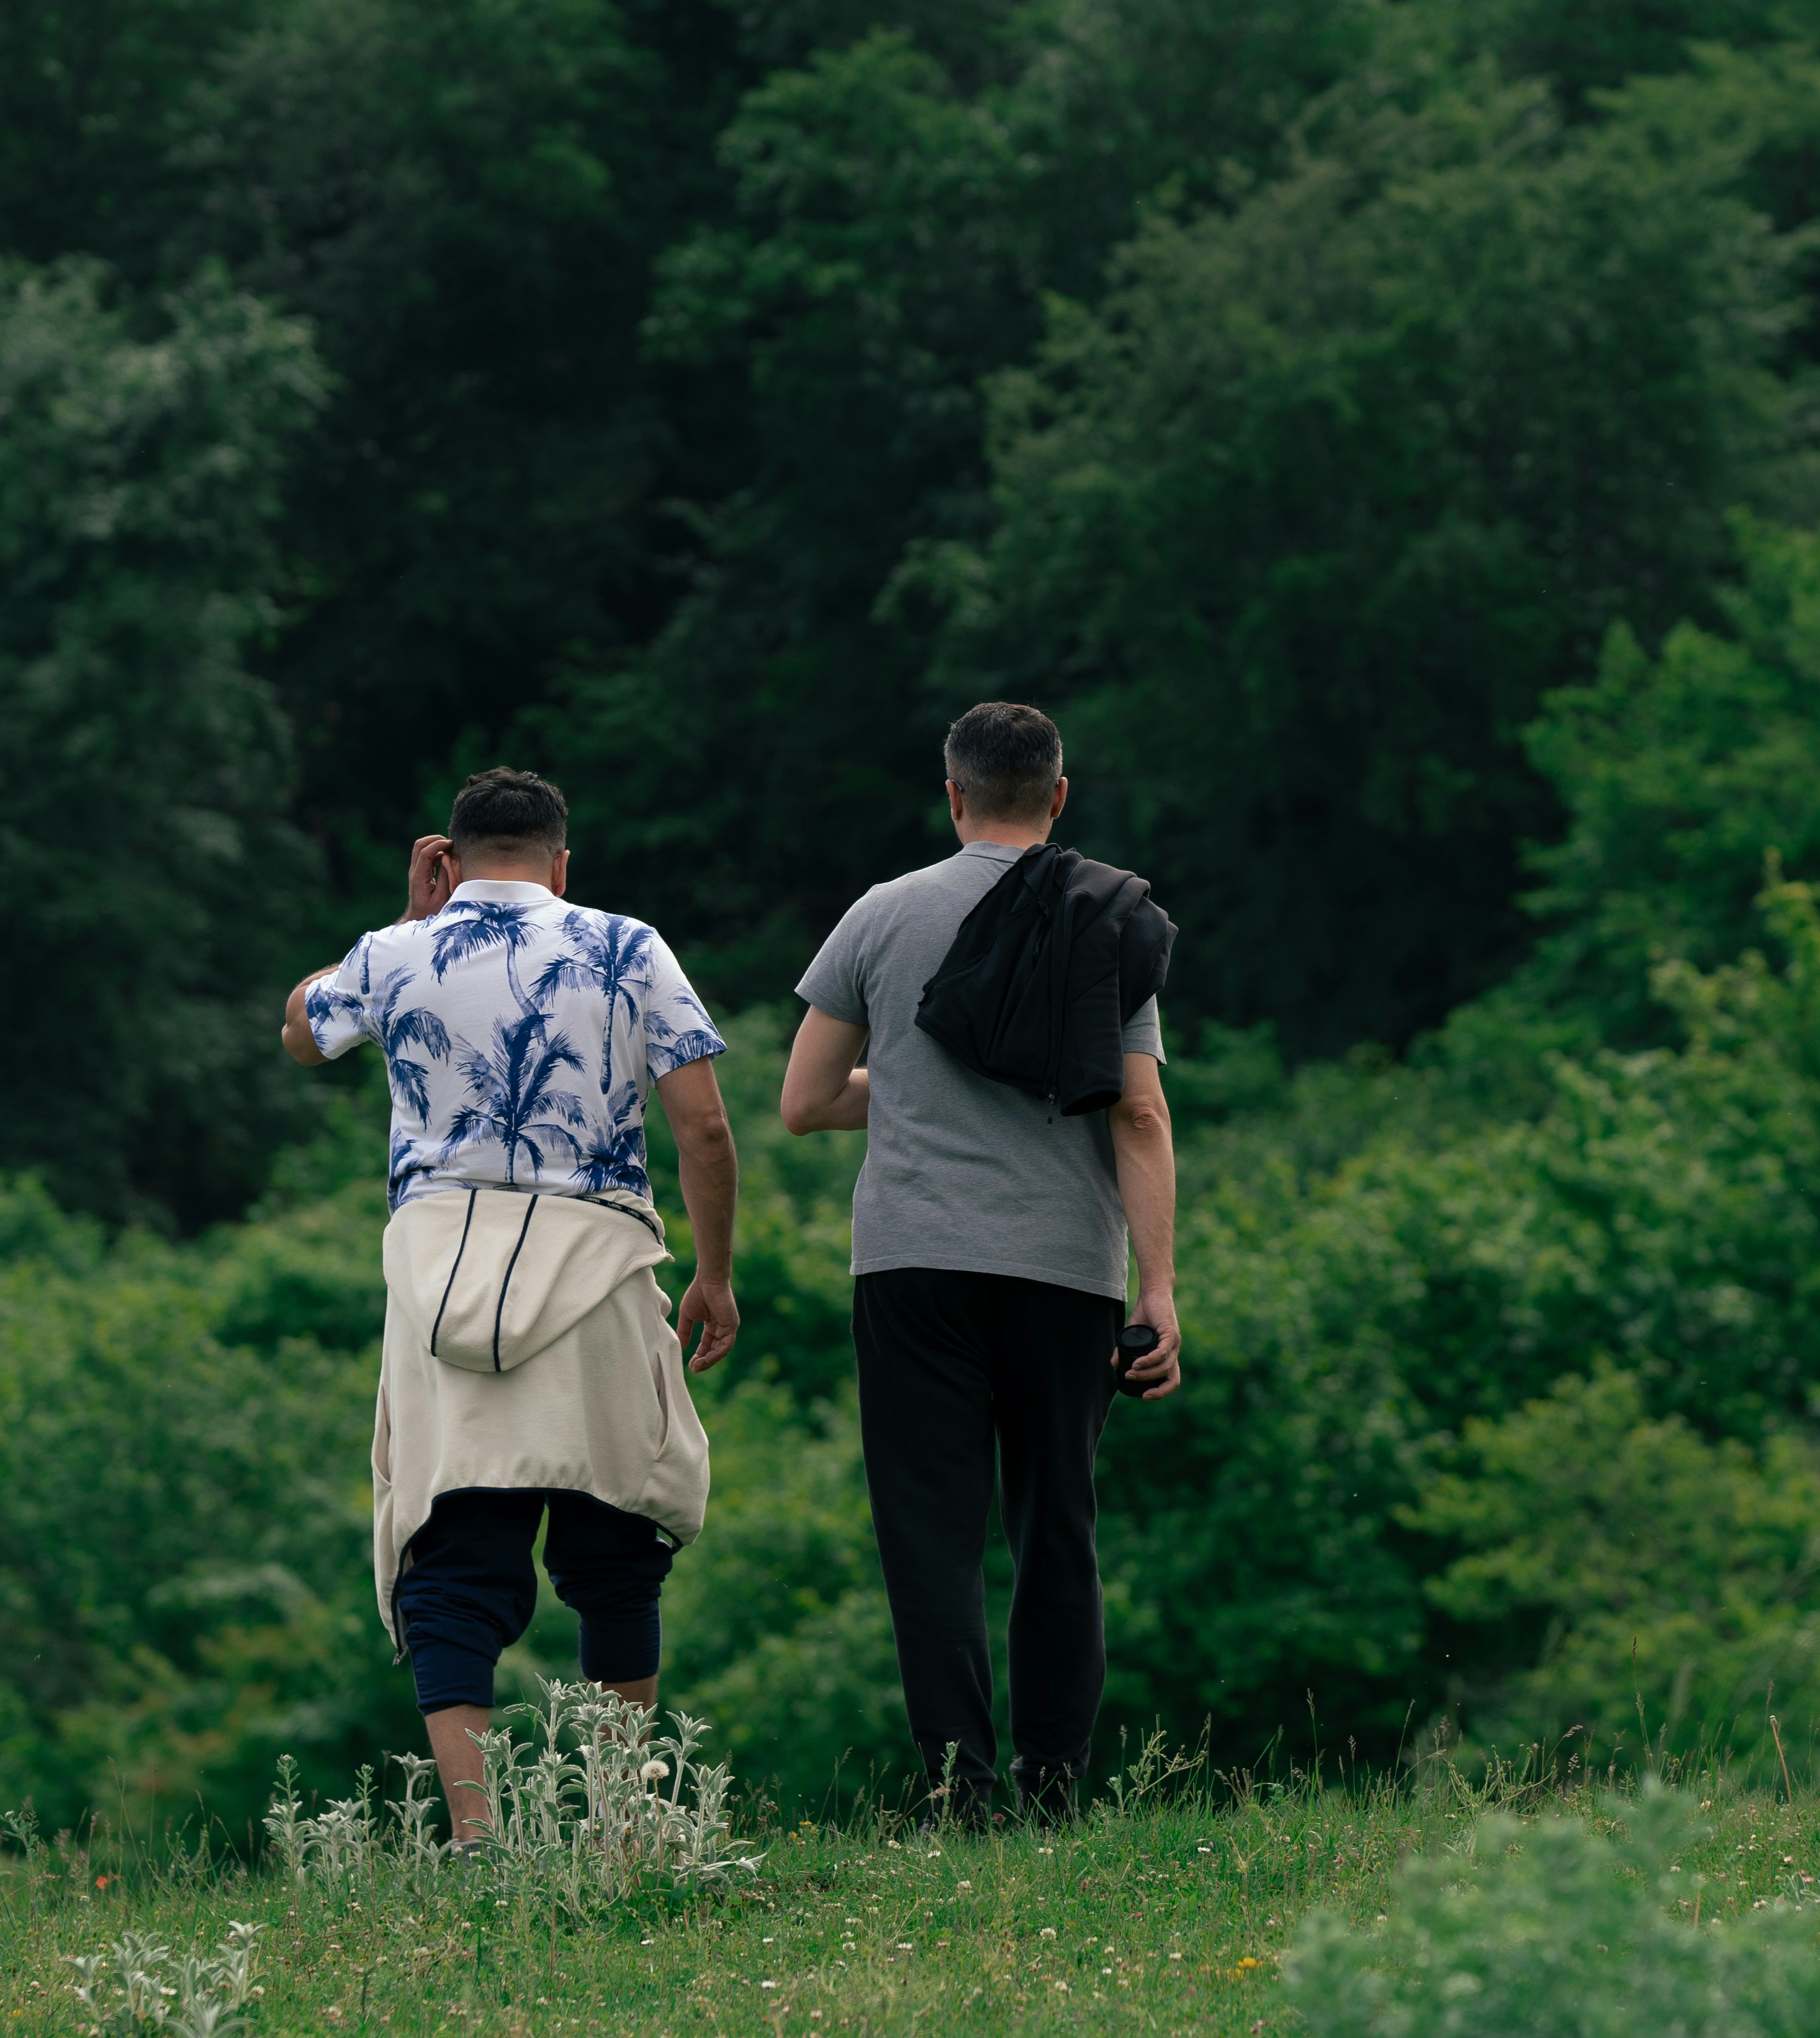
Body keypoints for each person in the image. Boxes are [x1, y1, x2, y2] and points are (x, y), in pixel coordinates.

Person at [279, 766, 740, 1842]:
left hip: (439, 1276)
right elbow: (704, 1130)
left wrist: (404, 923)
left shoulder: (397, 955)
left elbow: (303, 1031)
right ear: (560, 860)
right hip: (596, 1269)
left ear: (451, 854)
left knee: (448, 1554)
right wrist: (714, 1275)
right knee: (616, 1545)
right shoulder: (629, 947)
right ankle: (622, 1827)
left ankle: (479, 1839)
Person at [779, 701, 1179, 1823]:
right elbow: (1138, 1116)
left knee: (932, 1533)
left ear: (952, 796)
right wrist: (1158, 1291)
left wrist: (904, 1091)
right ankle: (1054, 1788)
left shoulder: (882, 914)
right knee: (1058, 1525)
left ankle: (960, 1790)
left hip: (914, 1266)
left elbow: (805, 1102)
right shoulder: (1108, 916)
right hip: (1065, 1270)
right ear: (1058, 797)